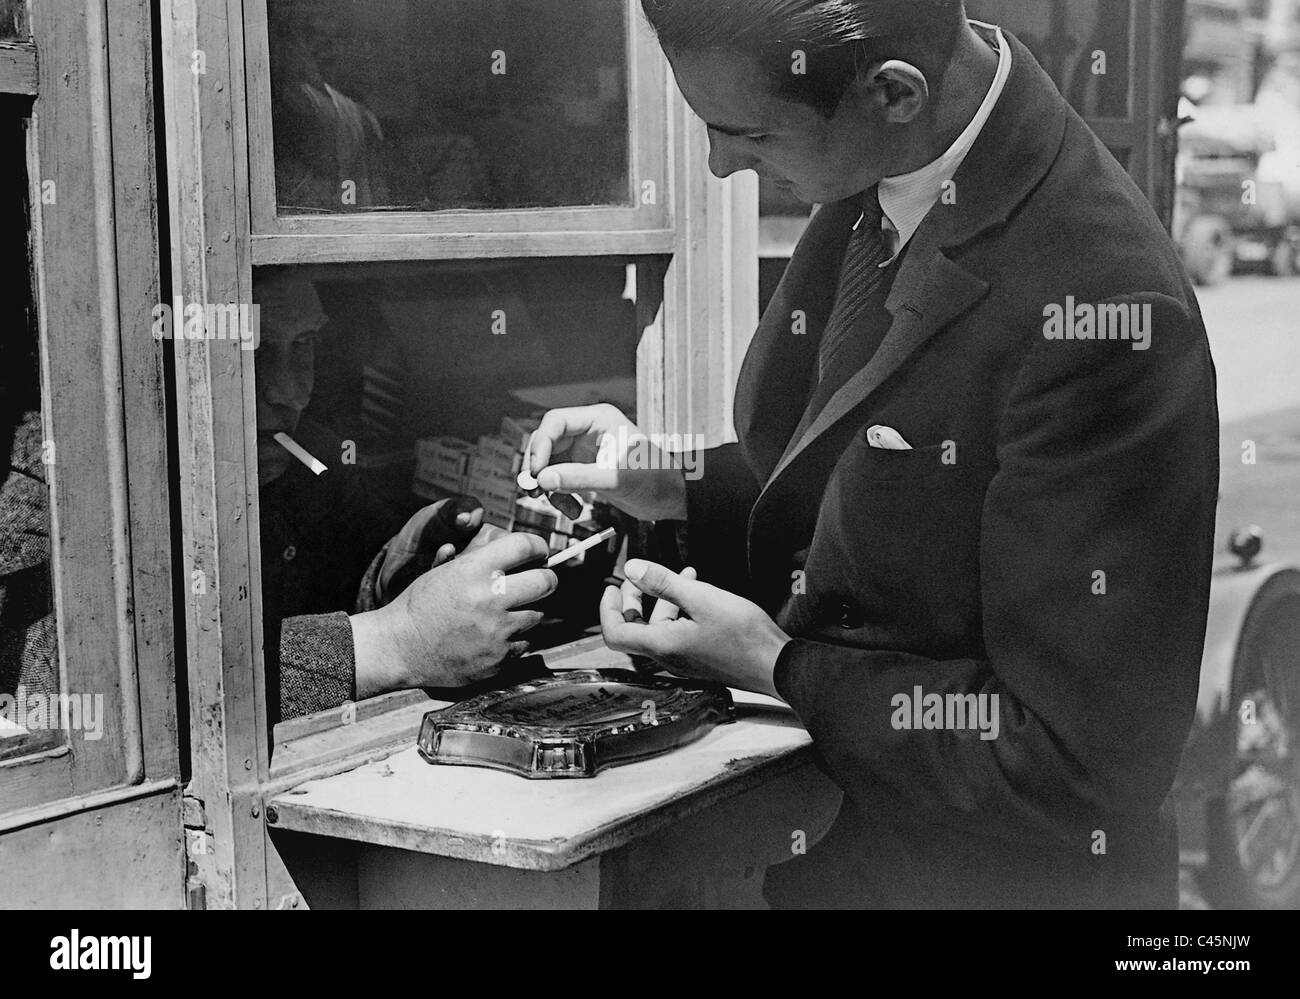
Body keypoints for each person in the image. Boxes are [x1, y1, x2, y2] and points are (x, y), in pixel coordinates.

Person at [525, 0, 1219, 908]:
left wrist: (778, 663)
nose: (721, 164)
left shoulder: (1104, 306)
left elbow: (1071, 761)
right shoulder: (897, 160)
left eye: (749, 133)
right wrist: (681, 479)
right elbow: (900, 469)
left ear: (895, 92)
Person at [252, 270, 557, 721]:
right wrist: (399, 639)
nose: (291, 393)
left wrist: (398, 571)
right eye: (254, 350)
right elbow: (192, 687)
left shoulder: (313, 461)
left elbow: (343, 588)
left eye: (303, 344)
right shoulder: (136, 505)